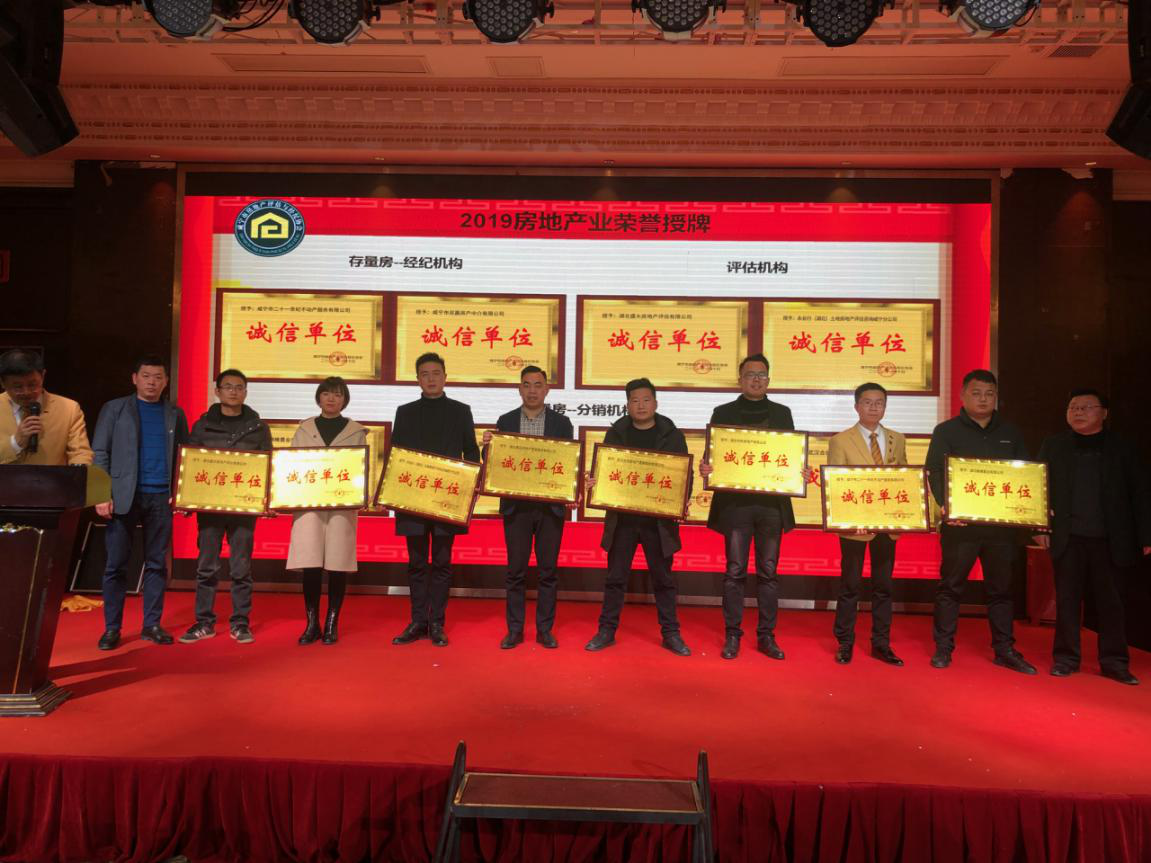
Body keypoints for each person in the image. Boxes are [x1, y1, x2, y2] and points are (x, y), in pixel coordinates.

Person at [925, 368, 1035, 674]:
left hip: (1000, 528)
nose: (983, 399)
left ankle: (1004, 649)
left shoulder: (1011, 432)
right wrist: (947, 506)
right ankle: (943, 648)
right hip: (961, 527)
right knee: (950, 588)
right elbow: (935, 470)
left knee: (1001, 590)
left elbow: (1026, 473)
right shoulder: (946, 431)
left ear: (996, 396)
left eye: (989, 393)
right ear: (963, 396)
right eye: (976, 393)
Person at [1037, 389, 1151, 685]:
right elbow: (1038, 487)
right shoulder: (1054, 445)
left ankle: (1115, 662)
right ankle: (1065, 659)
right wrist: (1039, 528)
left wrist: (1146, 535)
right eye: (1073, 407)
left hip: (1112, 540)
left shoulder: (1123, 447)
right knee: (1067, 602)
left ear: (1104, 413)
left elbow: (1140, 493)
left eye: (1086, 407)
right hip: (1068, 538)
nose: (1078, 412)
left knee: (1113, 604)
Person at [585, 377, 691, 656]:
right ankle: (606, 631)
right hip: (623, 520)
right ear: (627, 405)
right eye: (635, 400)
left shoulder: (672, 435)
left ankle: (671, 633)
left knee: (664, 580)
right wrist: (596, 482)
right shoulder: (616, 433)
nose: (641, 405)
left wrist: (681, 500)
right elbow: (606, 472)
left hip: (659, 523)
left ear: (655, 403)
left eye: (646, 400)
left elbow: (683, 476)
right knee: (615, 578)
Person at [699, 354, 794, 661]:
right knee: (735, 571)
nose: (756, 379)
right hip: (736, 506)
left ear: (769, 380)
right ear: (739, 380)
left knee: (768, 572)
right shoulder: (723, 412)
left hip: (771, 506)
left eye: (761, 375)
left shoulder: (782, 414)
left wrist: (799, 472)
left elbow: (790, 456)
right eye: (750, 374)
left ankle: (767, 636)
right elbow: (712, 457)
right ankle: (732, 635)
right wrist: (706, 467)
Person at [91, 354, 189, 650]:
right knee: (116, 565)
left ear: (166, 381)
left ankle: (152, 625)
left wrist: (181, 492)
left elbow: (184, 455)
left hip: (160, 497)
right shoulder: (115, 409)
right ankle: (112, 628)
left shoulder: (175, 413)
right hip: (124, 495)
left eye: (158, 377)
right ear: (135, 379)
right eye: (146, 376)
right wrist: (100, 494)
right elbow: (99, 452)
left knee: (157, 564)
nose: (152, 382)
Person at [391, 353, 480, 648]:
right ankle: (418, 621)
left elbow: (471, 451)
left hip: (447, 500)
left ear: (445, 377)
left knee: (442, 562)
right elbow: (396, 456)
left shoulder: (460, 411)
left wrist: (471, 482)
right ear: (418, 379)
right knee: (416, 563)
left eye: (436, 373)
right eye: (425, 374)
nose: (431, 378)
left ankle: (437, 622)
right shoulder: (405, 412)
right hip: (413, 500)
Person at [178, 369, 272, 645]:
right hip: (210, 508)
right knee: (206, 567)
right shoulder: (202, 426)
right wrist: (185, 497)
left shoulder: (258, 427)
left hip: (243, 508)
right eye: (228, 386)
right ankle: (204, 622)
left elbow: (268, 465)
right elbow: (190, 464)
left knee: (241, 568)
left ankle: (240, 623)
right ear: (217, 391)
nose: (233, 391)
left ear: (246, 392)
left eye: (239, 387)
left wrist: (267, 500)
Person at [487, 365, 574, 649]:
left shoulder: (562, 424)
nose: (532, 390)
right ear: (519, 389)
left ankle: (544, 629)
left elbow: (567, 464)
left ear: (547, 389)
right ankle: (515, 630)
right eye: (527, 384)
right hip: (517, 508)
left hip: (550, 509)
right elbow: (497, 464)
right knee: (516, 571)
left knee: (548, 571)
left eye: (538, 385)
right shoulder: (506, 421)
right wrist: (488, 447)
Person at [826, 383, 907, 666]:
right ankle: (845, 642)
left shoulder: (898, 439)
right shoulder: (840, 441)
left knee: (884, 587)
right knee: (850, 586)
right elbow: (836, 485)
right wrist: (849, 520)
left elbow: (904, 480)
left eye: (879, 403)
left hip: (887, 524)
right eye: (868, 402)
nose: (874, 407)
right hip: (855, 526)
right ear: (856, 406)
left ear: (885, 406)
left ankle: (881, 644)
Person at [285, 377, 367, 646]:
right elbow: (292, 466)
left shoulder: (355, 431)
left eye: (338, 394)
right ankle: (312, 623)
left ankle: (332, 622)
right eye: (327, 394)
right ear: (319, 397)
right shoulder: (304, 428)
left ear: (345, 400)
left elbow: (361, 469)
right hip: (309, 504)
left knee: (337, 564)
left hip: (342, 506)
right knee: (310, 564)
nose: (332, 399)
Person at [0, 348, 92, 466]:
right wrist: (15, 443)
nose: (26, 392)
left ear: (43, 376)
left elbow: (80, 453)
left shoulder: (69, 408)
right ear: (2, 383)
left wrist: (79, 468)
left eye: (32, 384)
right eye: (18, 386)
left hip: (52, 478)